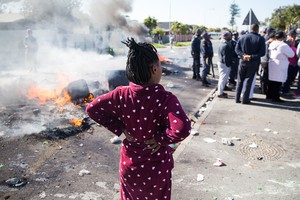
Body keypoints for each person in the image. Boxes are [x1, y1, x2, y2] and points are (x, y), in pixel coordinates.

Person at [86, 38, 191, 200]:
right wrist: (161, 139)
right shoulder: (165, 98)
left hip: (129, 167)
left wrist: (120, 129)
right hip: (156, 170)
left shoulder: (120, 94)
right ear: (154, 69)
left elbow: (92, 108)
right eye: (160, 66)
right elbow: (182, 129)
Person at [235, 24, 266, 104]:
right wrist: (251, 57)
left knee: (240, 80)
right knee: (249, 81)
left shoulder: (242, 37)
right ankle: (245, 99)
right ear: (257, 29)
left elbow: (237, 49)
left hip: (243, 61)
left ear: (250, 28)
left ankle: (237, 98)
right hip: (253, 62)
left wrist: (243, 55)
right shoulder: (260, 39)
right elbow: (262, 53)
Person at [267, 31, 294, 102]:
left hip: (272, 62)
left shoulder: (272, 43)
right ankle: (275, 97)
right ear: (282, 37)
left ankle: (269, 95)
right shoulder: (283, 45)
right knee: (278, 82)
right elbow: (292, 54)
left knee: (272, 81)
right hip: (280, 63)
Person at [217, 31, 232, 98]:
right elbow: (226, 57)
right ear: (226, 37)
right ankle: (220, 93)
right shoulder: (226, 45)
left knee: (222, 78)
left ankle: (220, 91)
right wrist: (228, 65)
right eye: (229, 36)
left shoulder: (222, 43)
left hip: (221, 62)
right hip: (224, 64)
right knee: (223, 78)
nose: (230, 37)